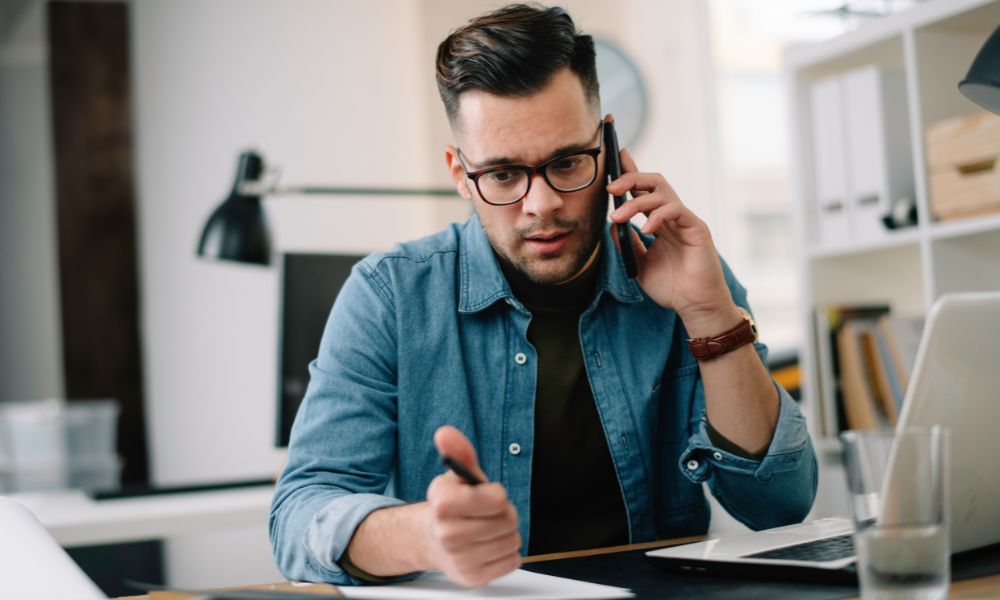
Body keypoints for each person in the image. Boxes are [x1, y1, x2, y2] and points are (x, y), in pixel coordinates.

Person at [270, 3, 816, 588]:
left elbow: (780, 505)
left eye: (566, 162)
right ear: (460, 173)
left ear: (606, 148)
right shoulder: (389, 296)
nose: (542, 204)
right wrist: (424, 533)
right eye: (503, 174)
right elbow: (300, 515)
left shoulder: (690, 274)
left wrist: (710, 316)